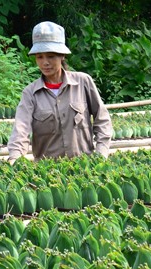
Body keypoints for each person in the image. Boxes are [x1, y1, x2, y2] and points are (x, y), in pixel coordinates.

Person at [7, 21, 112, 164]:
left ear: (62, 56)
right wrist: (15, 158)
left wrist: (101, 154)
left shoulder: (83, 83)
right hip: (48, 175)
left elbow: (102, 119)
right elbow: (21, 129)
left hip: (84, 168)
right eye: (40, 57)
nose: (45, 62)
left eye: (51, 56)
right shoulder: (30, 94)